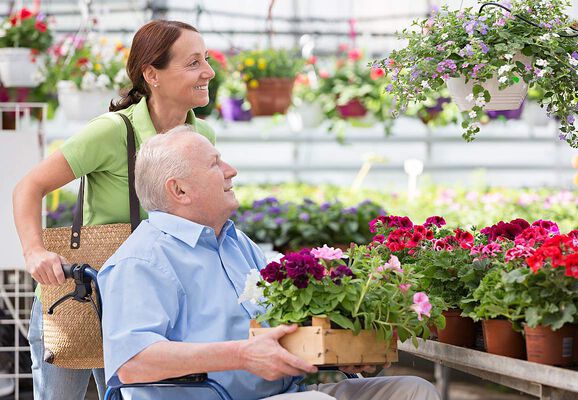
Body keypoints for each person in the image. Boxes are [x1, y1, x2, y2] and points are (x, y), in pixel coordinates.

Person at [98, 127, 440, 400]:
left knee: (413, 391)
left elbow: (281, 323)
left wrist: (336, 347)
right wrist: (242, 355)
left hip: (287, 392)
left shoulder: (236, 243)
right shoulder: (142, 260)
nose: (231, 170)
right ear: (180, 191)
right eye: (215, 164)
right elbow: (132, 363)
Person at [12, 20, 217, 400]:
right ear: (151, 74)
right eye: (193, 63)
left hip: (145, 302)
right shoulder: (111, 131)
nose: (208, 71)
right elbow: (29, 186)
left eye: (206, 59)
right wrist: (34, 251)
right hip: (80, 298)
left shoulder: (201, 137)